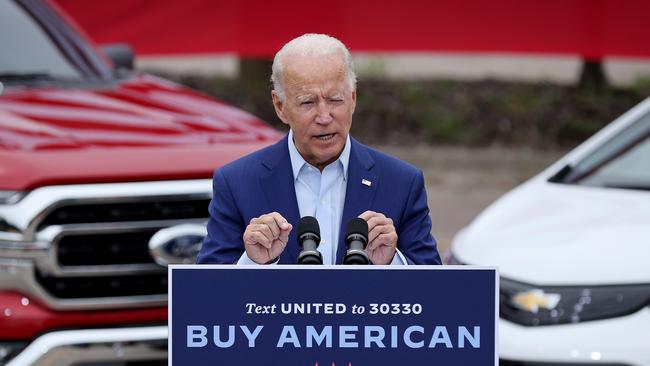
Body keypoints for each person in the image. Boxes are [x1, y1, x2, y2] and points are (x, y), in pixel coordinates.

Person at [197, 34, 441, 265]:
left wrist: (391, 262)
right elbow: (206, 293)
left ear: (353, 98)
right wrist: (255, 262)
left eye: (335, 99)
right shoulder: (237, 183)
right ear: (280, 106)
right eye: (307, 102)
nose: (324, 117)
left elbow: (436, 291)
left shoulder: (401, 182)